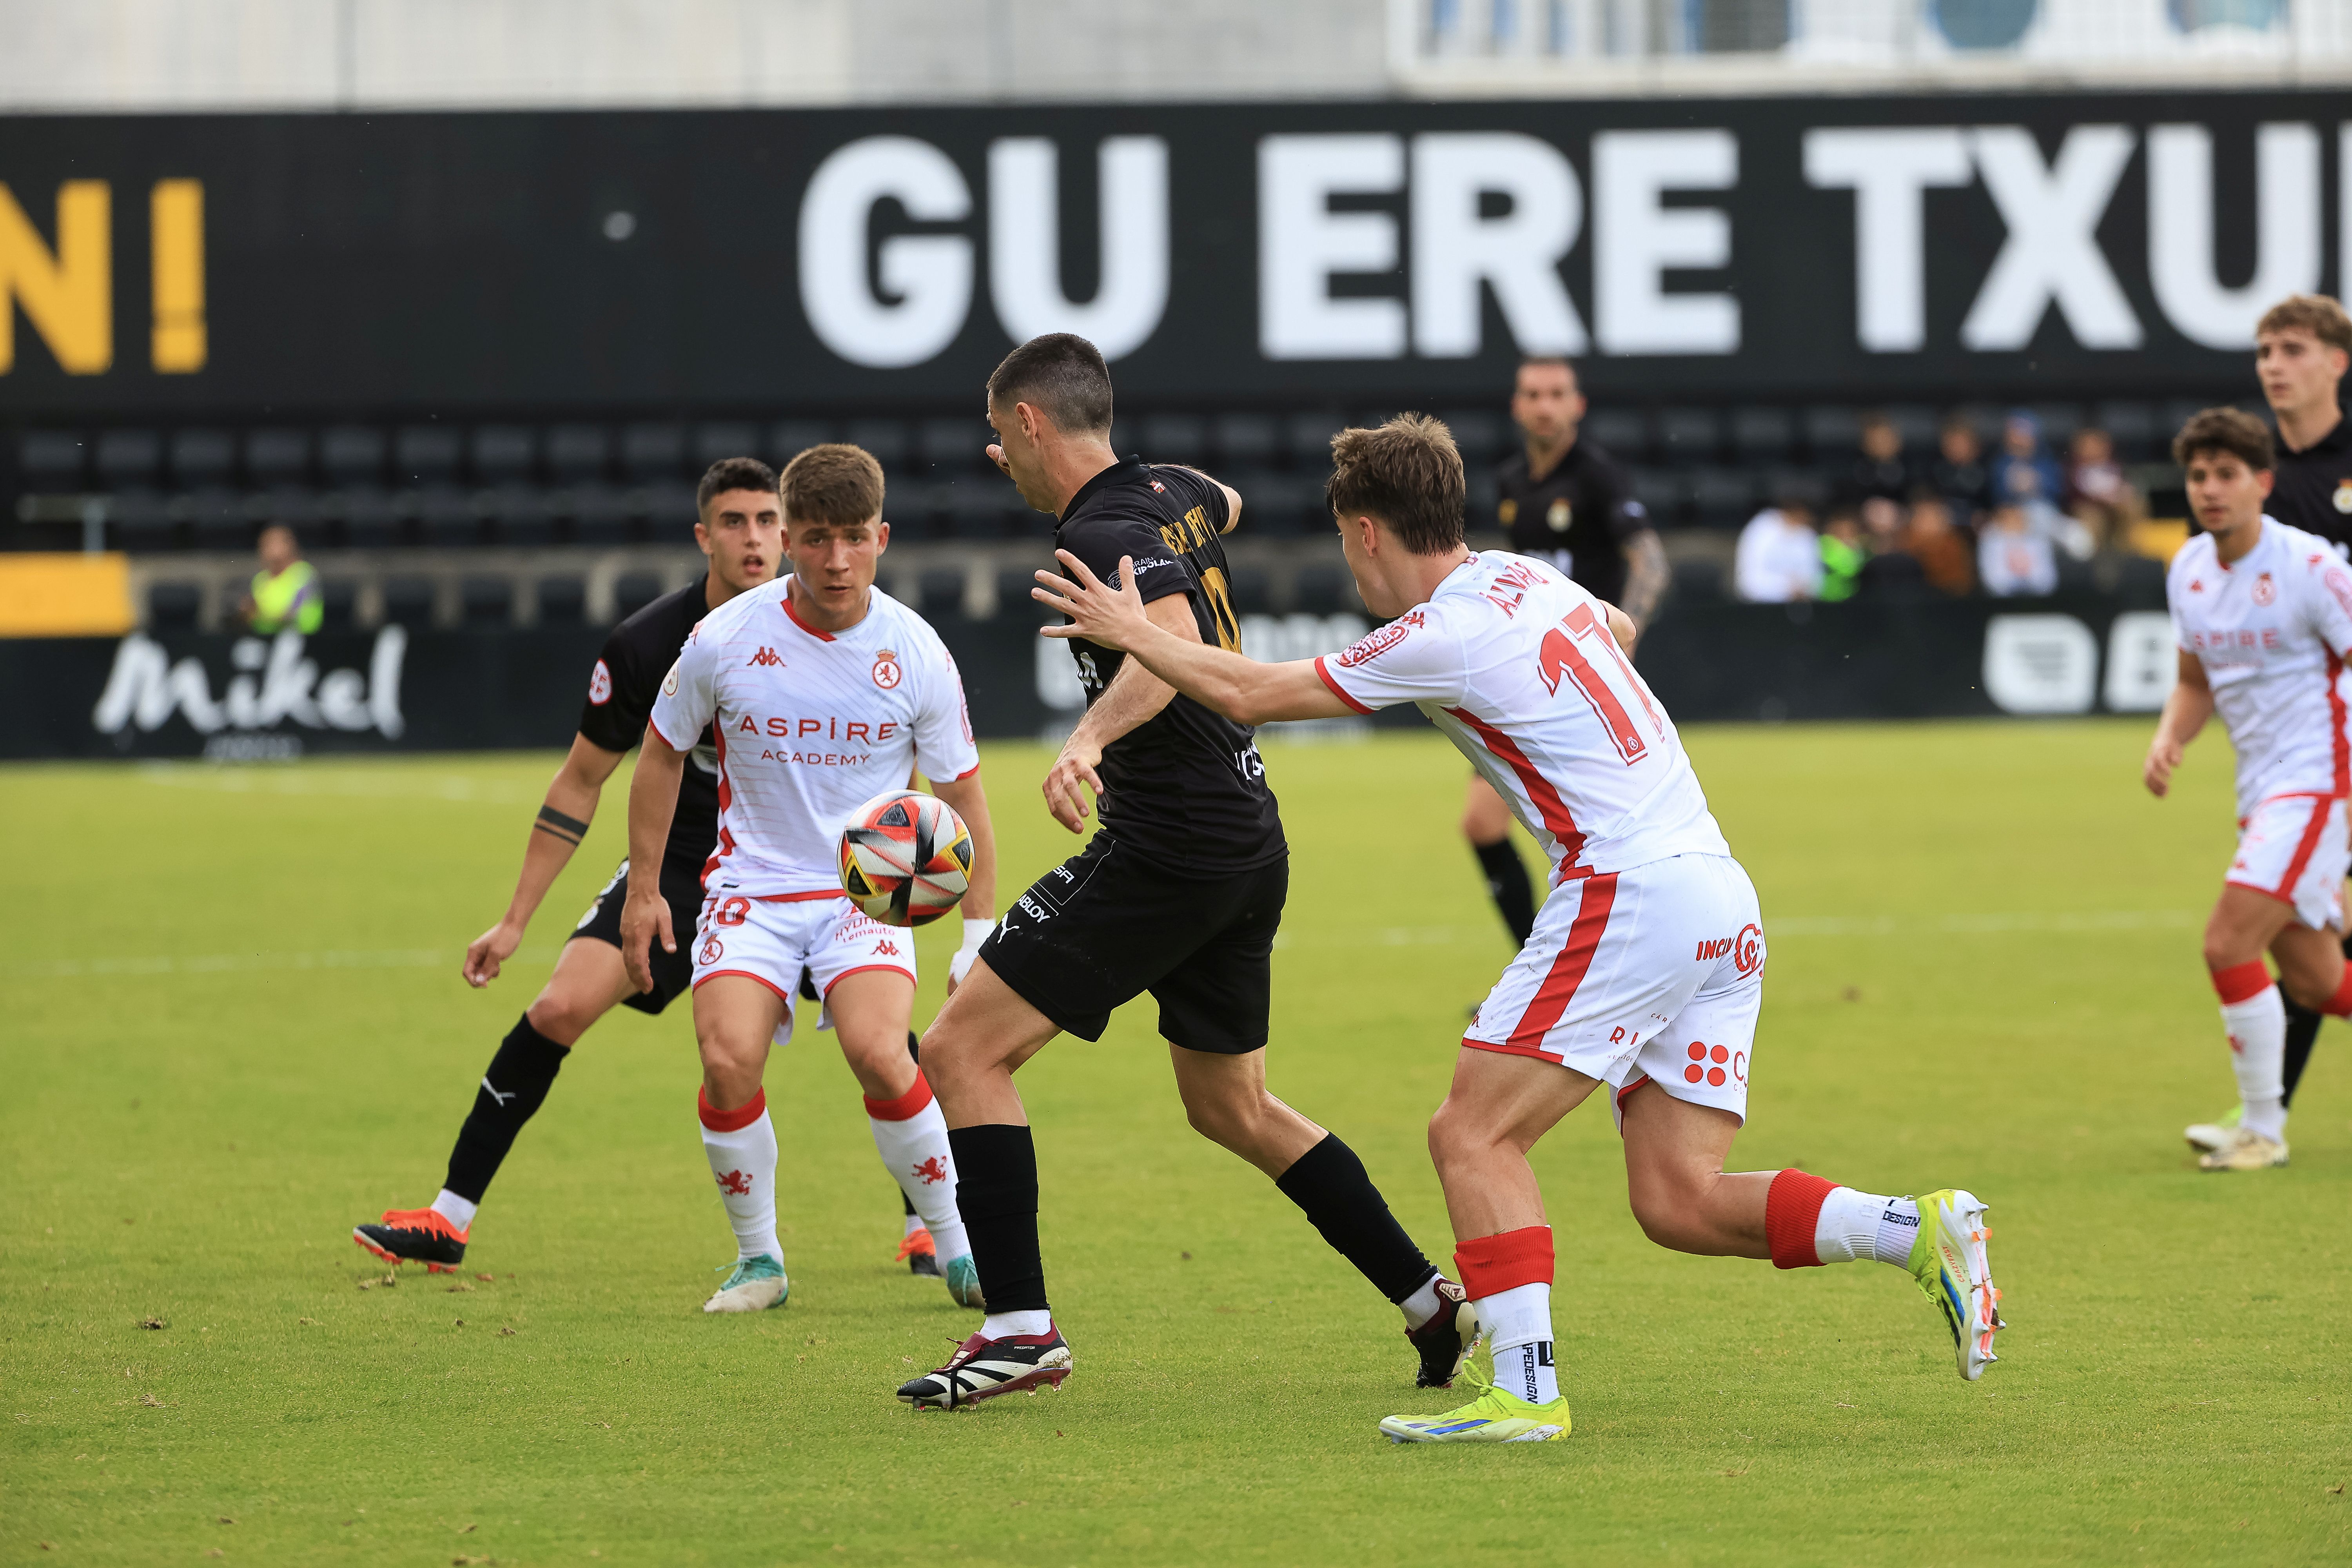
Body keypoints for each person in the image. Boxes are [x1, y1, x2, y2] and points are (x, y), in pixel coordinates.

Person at [1031, 413, 2002, 1446]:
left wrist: (1136, 629)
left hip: (1629, 889)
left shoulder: (1440, 632)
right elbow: (1614, 638)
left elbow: (1253, 692)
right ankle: (1917, 1227)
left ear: (1365, 534)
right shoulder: (1526, 577)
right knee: (1680, 1200)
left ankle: (1528, 1393)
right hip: (1720, 890)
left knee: (1472, 1130)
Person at [891, 333, 1476, 1410]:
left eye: (1001, 437)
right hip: (1245, 836)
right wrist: (1182, 527)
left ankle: (1019, 1330)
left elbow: (1159, 644)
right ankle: (1426, 1301)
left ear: (1029, 424)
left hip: (1171, 846)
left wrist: (1087, 742)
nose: (998, 458)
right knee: (1232, 1104)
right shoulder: (1164, 492)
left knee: (960, 1047)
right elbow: (1227, 501)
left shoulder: (1107, 523)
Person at [354, 459, 815, 1272]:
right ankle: (448, 1217)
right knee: (558, 1006)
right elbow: (581, 779)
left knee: (877, 1035)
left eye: (769, 520)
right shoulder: (645, 643)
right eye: (736, 522)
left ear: (789, 530)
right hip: (677, 859)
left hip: (794, 858)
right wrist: (515, 919)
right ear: (703, 534)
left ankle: (931, 1222)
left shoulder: (830, 627)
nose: (755, 538)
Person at [620, 444, 999, 1313]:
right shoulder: (723, 638)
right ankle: (761, 1260)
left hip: (861, 893)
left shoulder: (917, 650)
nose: (837, 560)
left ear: (883, 537)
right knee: (727, 1060)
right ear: (788, 537)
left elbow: (963, 794)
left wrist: (978, 932)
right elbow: (658, 755)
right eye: (819, 538)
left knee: (878, 1050)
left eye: (856, 538)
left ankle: (955, 1244)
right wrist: (645, 891)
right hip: (751, 884)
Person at [2143, 408, 2352, 1171]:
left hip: (2322, 780)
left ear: (2263, 481)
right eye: (2199, 475)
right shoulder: (2189, 569)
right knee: (2320, 979)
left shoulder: (2314, 565)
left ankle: (2262, 1128)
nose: (2210, 489)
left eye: (2227, 474)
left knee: (2227, 940)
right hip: (2263, 788)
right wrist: (2171, 736)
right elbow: (2196, 680)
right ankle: (2260, 1121)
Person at [2211, 292, 2352, 1149]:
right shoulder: (2258, 479)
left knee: (2267, 928)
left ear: (2337, 362)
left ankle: (2265, 1119)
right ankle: (2267, 1117)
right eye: (2265, 349)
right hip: (2307, 745)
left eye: (2293, 348)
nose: (2273, 363)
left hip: (2330, 754)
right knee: (2303, 940)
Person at [1468, 357, 1667, 948]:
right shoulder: (1512, 482)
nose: (1545, 405)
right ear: (1517, 406)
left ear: (1577, 405)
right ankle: (1538, 966)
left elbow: (1651, 562)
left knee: (1596, 838)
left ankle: (1623, 960)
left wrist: (1617, 646)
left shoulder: (1597, 476)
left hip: (1586, 681)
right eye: (1533, 394)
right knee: (1483, 825)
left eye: (1556, 394)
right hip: (1525, 678)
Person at [1733, 497, 1820, 604]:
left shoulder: (1808, 535)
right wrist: (1787, 588)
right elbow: (1748, 583)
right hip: (1760, 608)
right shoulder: (1762, 527)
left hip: (1799, 608)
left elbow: (1816, 583)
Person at [240, 523, 322, 635]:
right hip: (266, 637)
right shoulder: (260, 579)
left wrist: (265, 617)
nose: (268, 549)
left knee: (288, 641)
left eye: (273, 543)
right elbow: (254, 618)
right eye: (264, 545)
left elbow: (293, 613)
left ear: (290, 545)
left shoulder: (303, 574)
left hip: (302, 637)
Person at [1928, 417, 1994, 533]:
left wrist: (1984, 514)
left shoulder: (1985, 469)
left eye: (1961, 443)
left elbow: (1993, 502)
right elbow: (1929, 497)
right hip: (1945, 520)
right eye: (1952, 443)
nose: (1956, 448)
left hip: (1977, 521)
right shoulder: (1937, 468)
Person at [1977, 502, 2056, 597]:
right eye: (2009, 517)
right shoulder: (1991, 542)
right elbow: (1994, 582)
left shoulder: (2038, 542)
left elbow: (2047, 581)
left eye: (2018, 516)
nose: (2014, 520)